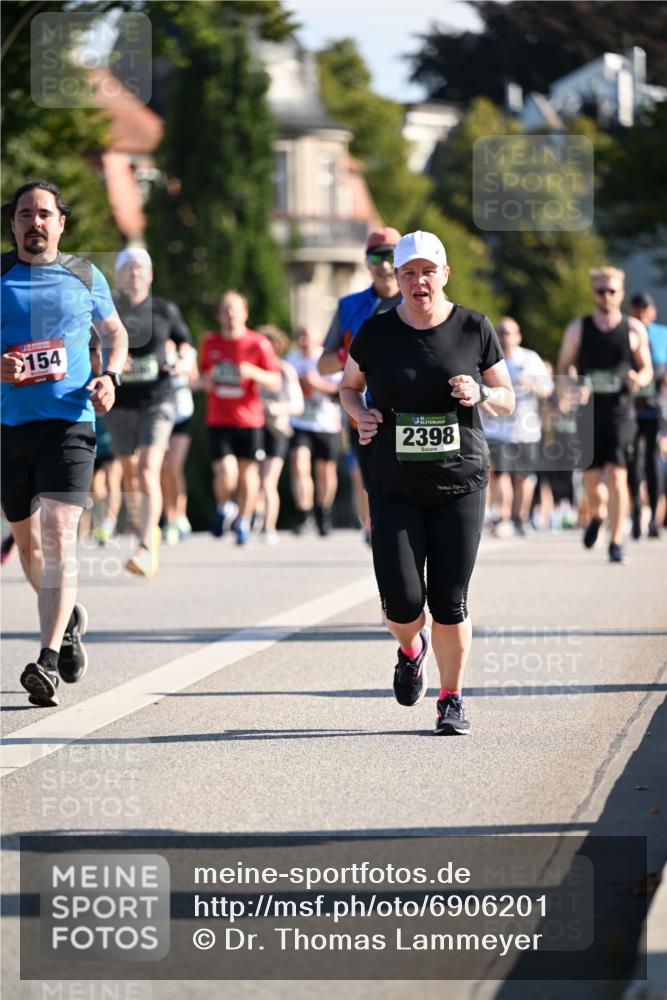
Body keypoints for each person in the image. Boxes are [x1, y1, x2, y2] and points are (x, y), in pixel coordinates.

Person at [340, 231, 514, 735]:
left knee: (449, 599)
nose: (420, 281)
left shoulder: (474, 328)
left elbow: (508, 399)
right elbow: (348, 388)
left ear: (444, 274)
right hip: (393, 484)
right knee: (402, 602)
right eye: (409, 273)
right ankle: (410, 649)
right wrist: (360, 414)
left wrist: (481, 392)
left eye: (428, 271)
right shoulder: (375, 333)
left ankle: (451, 698)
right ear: (396, 279)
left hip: (460, 482)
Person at [1, 179, 128, 707]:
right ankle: (69, 619)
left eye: (44, 213)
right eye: (25, 213)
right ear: (13, 224)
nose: (35, 222)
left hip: (71, 423)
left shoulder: (85, 274)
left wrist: (111, 377)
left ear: (60, 223)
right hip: (11, 428)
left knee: (57, 535)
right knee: (29, 545)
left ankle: (48, 660)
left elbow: (116, 335)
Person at [104, 248, 192, 577]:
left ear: (151, 274)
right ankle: (147, 528)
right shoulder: (107, 309)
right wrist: (108, 360)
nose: (135, 272)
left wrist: (184, 358)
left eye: (141, 267)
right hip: (121, 401)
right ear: (119, 275)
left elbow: (185, 341)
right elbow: (89, 343)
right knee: (130, 471)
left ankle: (144, 545)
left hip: (159, 398)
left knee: (147, 468)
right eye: (127, 267)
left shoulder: (165, 309)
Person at [558, 267, 653, 564]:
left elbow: (647, 368)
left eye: (612, 291)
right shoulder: (578, 328)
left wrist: (639, 378)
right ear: (593, 292)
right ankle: (597, 516)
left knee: (617, 475)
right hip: (588, 414)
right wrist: (574, 385)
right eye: (601, 291)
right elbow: (564, 366)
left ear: (621, 293)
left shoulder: (634, 329)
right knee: (591, 483)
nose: (606, 296)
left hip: (621, 412)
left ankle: (616, 540)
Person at [319, 227, 402, 542]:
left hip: (408, 404)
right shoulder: (349, 306)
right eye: (376, 256)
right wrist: (351, 351)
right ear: (367, 262)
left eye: (391, 255)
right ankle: (372, 526)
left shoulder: (417, 300)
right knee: (364, 473)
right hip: (362, 407)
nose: (384, 264)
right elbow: (323, 364)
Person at [198, 291, 281, 545]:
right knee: (226, 472)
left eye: (235, 308)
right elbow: (199, 379)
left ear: (245, 313)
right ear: (218, 314)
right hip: (219, 418)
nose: (230, 313)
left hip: (249, 419)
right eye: (225, 308)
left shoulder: (258, 343)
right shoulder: (210, 343)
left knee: (248, 474)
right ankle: (225, 506)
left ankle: (244, 519)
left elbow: (275, 381)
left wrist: (252, 371)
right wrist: (207, 381)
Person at [481, 317, 553, 537]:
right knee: (500, 474)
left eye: (509, 332)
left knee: (523, 478)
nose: (505, 336)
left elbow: (548, 388)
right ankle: (503, 517)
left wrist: (532, 384)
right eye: (501, 332)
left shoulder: (530, 359)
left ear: (518, 336)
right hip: (497, 428)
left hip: (525, 429)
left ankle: (520, 516)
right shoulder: (489, 357)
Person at [286, 325, 343, 537]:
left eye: (308, 336)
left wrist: (317, 383)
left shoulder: (326, 360)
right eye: (300, 336)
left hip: (326, 422)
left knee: (325, 471)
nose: (303, 340)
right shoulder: (291, 359)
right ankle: (304, 513)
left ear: (319, 340)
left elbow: (340, 389)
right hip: (300, 421)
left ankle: (323, 511)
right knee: (299, 464)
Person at [256, 325, 304, 544]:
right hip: (254, 427)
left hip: (277, 429)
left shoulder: (284, 370)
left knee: (268, 481)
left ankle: (269, 527)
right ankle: (252, 520)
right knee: (253, 480)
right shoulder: (253, 369)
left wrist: (277, 408)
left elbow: (298, 405)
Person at [626, 292, 667, 539]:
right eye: (637, 308)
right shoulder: (625, 332)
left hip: (655, 409)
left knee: (652, 461)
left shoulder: (662, 335)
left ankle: (652, 516)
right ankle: (636, 515)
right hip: (630, 408)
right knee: (631, 461)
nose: (642, 313)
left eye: (646, 309)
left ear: (653, 311)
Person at [161, 338, 199, 545]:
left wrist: (183, 371)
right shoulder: (154, 347)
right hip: (159, 415)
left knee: (173, 467)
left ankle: (180, 514)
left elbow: (196, 380)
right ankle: (169, 518)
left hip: (182, 415)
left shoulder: (187, 351)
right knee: (161, 470)